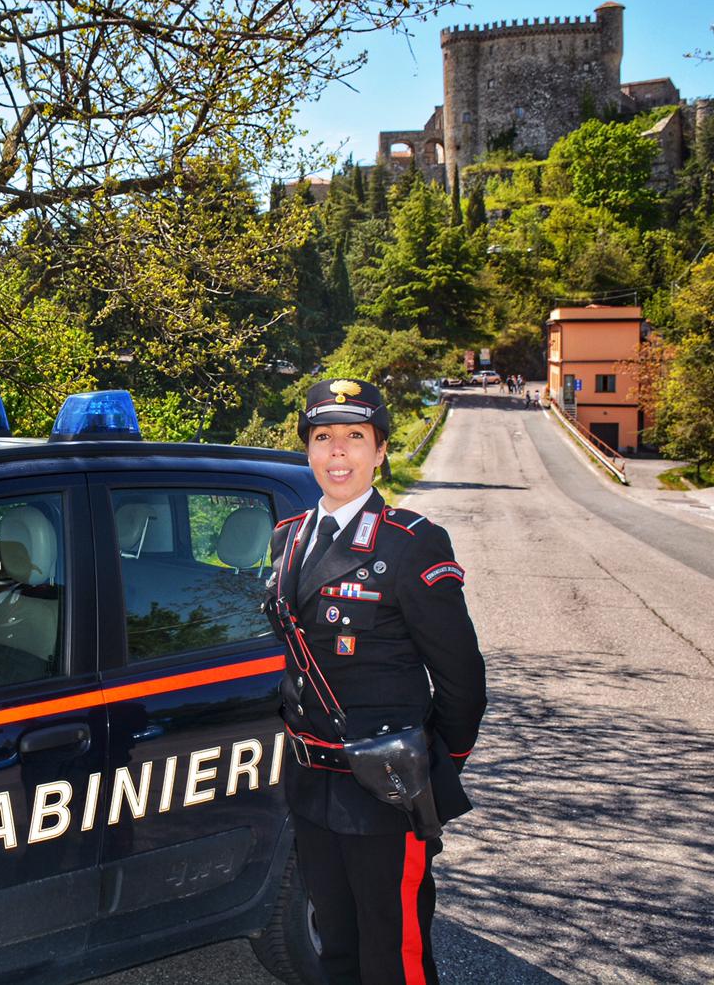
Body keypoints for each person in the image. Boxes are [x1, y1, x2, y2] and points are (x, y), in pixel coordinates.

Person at [266, 378, 486, 985]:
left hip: (386, 791)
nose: (338, 453)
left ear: (381, 450)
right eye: (323, 438)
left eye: (355, 438)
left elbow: (462, 679)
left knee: (394, 957)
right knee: (335, 948)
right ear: (307, 450)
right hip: (312, 785)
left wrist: (430, 768)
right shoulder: (288, 540)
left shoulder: (411, 544)